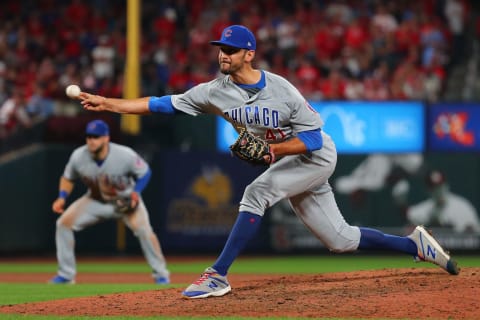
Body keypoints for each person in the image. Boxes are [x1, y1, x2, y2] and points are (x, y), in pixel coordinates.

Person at [78, 25, 459, 298]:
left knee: (256, 191)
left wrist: (274, 152)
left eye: (229, 50)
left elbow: (312, 138)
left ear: (248, 54)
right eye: (219, 49)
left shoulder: (282, 90)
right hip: (292, 163)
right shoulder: (213, 91)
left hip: (316, 155)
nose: (222, 55)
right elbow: (161, 104)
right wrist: (109, 103)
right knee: (340, 240)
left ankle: (218, 275)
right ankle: (416, 246)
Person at [49, 119, 170, 284]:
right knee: (63, 224)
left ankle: (161, 274)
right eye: (89, 136)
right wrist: (62, 197)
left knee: (144, 231)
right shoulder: (78, 156)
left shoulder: (124, 154)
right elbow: (67, 178)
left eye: (96, 136)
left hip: (126, 202)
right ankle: (66, 274)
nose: (91, 140)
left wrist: (136, 192)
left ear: (106, 138)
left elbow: (145, 172)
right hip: (95, 200)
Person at [406, 170, 480, 233]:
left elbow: (475, 232)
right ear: (428, 190)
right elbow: (409, 228)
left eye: (440, 186)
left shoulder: (462, 206)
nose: (438, 190)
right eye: (434, 187)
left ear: (446, 185)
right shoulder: (424, 208)